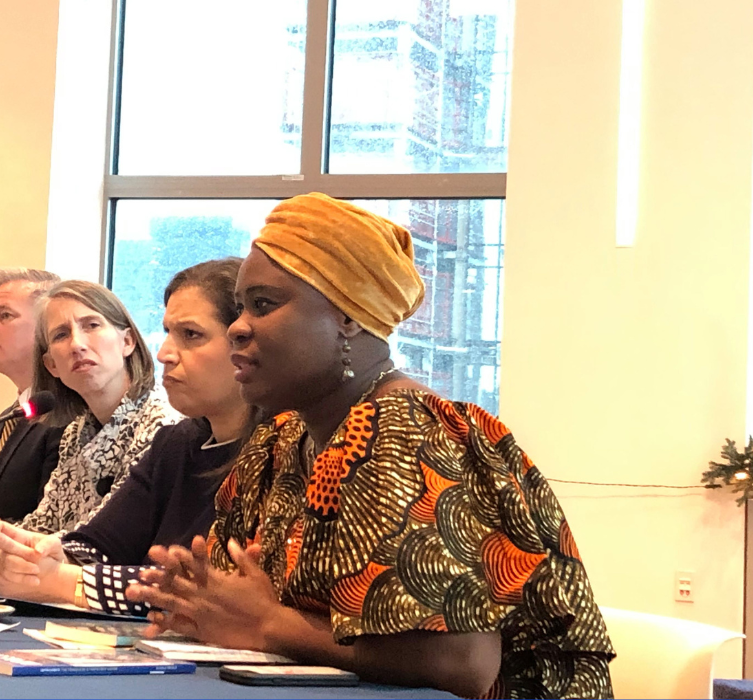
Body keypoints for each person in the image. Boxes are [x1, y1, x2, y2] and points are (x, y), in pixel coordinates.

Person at [123, 194, 615, 699]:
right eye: (242, 306)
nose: (238, 327)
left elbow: (461, 662)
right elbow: (236, 602)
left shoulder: (410, 431)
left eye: (264, 304)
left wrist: (270, 625)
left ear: (349, 317)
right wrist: (197, 600)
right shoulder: (283, 438)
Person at [0, 259, 255, 615]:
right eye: (168, 333)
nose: (165, 353)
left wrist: (53, 579)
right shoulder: (176, 443)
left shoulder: (276, 448)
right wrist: (36, 551)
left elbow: (210, 592)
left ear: (244, 344)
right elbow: (98, 543)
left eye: (191, 335)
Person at [0, 280, 178, 563]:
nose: (77, 344)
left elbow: (94, 549)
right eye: (61, 335)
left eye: (91, 325)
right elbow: (41, 528)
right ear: (51, 365)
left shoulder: (162, 429)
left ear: (127, 341)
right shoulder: (77, 433)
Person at [0, 267, 63, 520]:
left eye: (5, 316)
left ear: (47, 328)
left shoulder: (66, 416)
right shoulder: (8, 417)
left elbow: (52, 527)